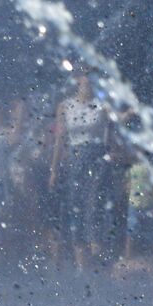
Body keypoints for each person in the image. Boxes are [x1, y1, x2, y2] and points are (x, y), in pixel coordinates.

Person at [49, 74, 109, 269]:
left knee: (94, 207)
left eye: (92, 81)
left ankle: (96, 259)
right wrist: (54, 169)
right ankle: (81, 264)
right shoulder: (65, 106)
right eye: (85, 81)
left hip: (96, 159)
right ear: (78, 82)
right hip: (74, 159)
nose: (89, 85)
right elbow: (60, 139)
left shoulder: (102, 105)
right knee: (76, 207)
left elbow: (110, 135)